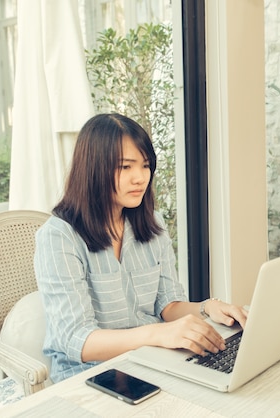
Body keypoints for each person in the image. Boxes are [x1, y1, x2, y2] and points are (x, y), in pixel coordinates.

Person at [34, 113, 248, 383]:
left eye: (145, 166)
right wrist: (158, 334)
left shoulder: (152, 224)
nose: (140, 178)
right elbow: (77, 340)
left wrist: (207, 309)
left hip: (151, 359)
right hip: (90, 375)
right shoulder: (59, 236)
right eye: (125, 167)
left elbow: (167, 304)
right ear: (93, 168)